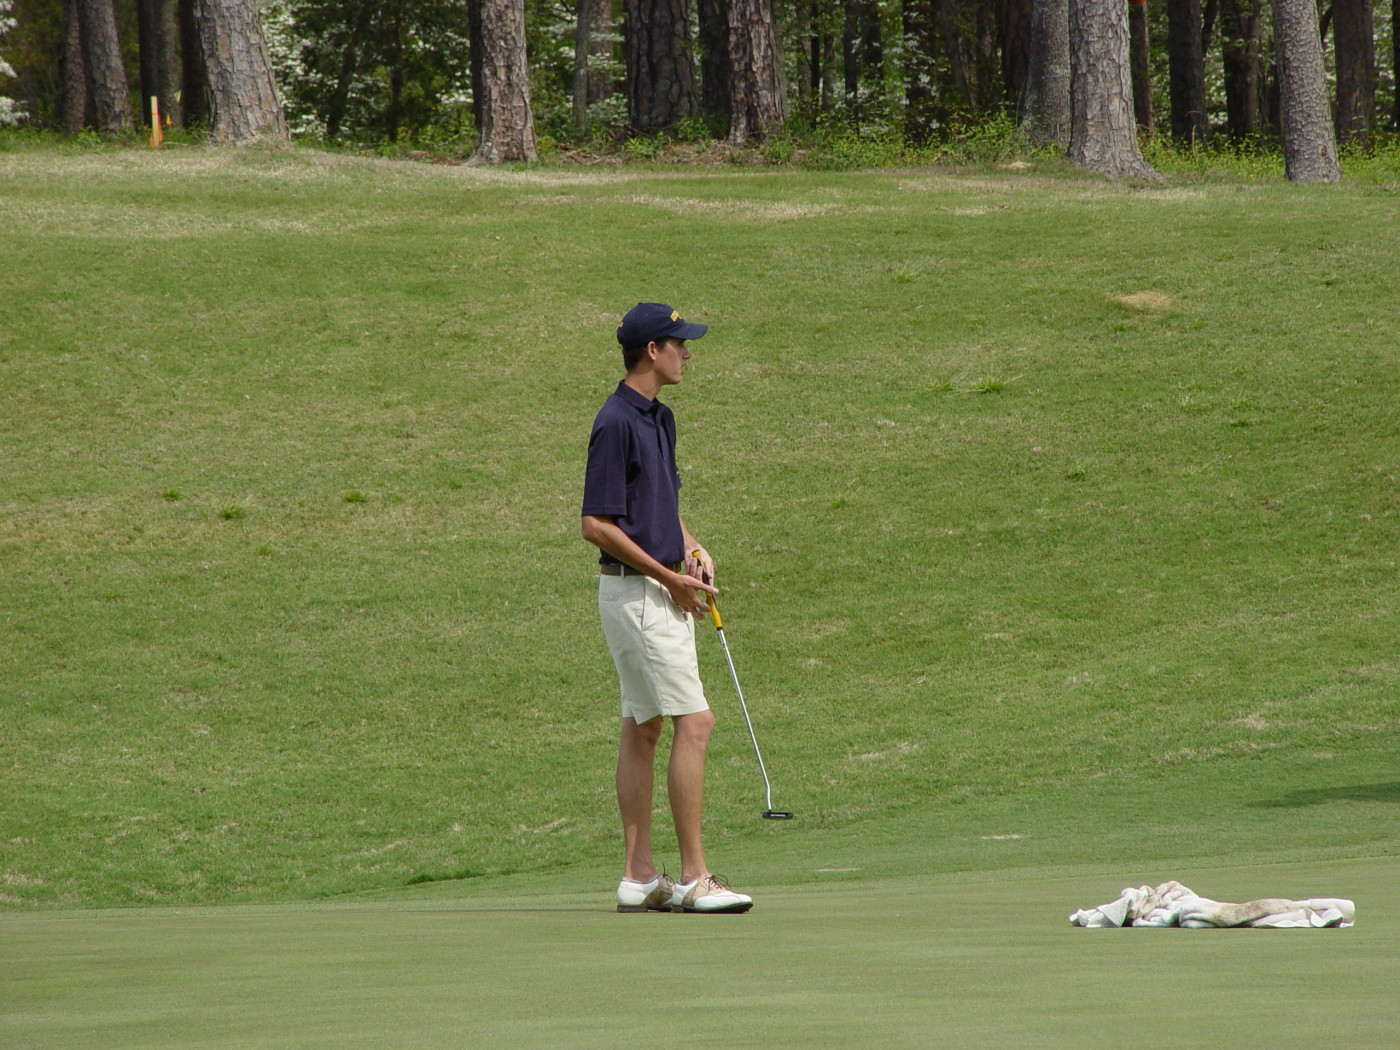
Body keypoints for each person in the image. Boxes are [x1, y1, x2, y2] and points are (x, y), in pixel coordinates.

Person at [581, 302, 754, 915]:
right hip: (638, 595)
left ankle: (637, 876)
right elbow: (595, 524)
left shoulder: (660, 419)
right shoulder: (616, 421)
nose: (688, 352)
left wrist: (691, 546)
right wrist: (666, 577)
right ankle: (692, 877)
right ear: (651, 351)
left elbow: (657, 505)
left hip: (652, 590)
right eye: (679, 343)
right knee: (695, 722)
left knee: (644, 724)